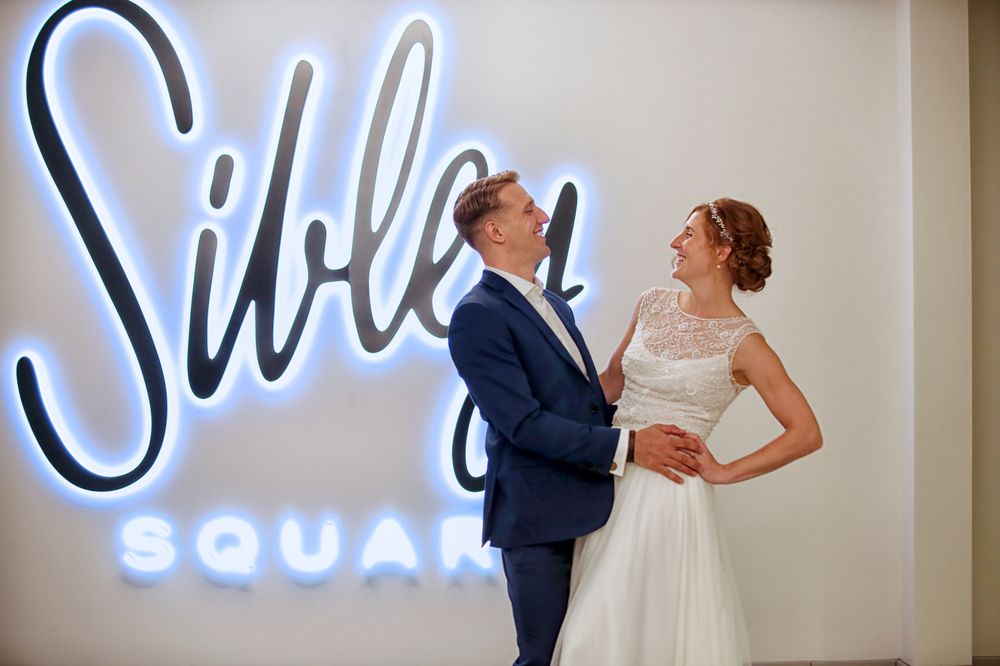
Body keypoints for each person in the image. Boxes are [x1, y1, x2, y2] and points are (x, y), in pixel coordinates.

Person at [447, 171, 704, 666]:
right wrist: (631, 445)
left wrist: (658, 379)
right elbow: (522, 424)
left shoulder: (556, 306)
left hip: (599, 511)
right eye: (528, 210)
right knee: (545, 658)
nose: (543, 217)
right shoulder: (477, 314)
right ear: (495, 231)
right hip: (539, 521)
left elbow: (584, 400)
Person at [552, 198, 823, 665]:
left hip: (669, 497)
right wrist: (542, 419)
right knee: (597, 632)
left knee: (636, 627)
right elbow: (610, 383)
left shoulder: (746, 344)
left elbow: (805, 432)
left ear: (721, 252)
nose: (675, 243)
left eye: (689, 234)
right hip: (610, 481)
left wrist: (725, 471)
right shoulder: (651, 304)